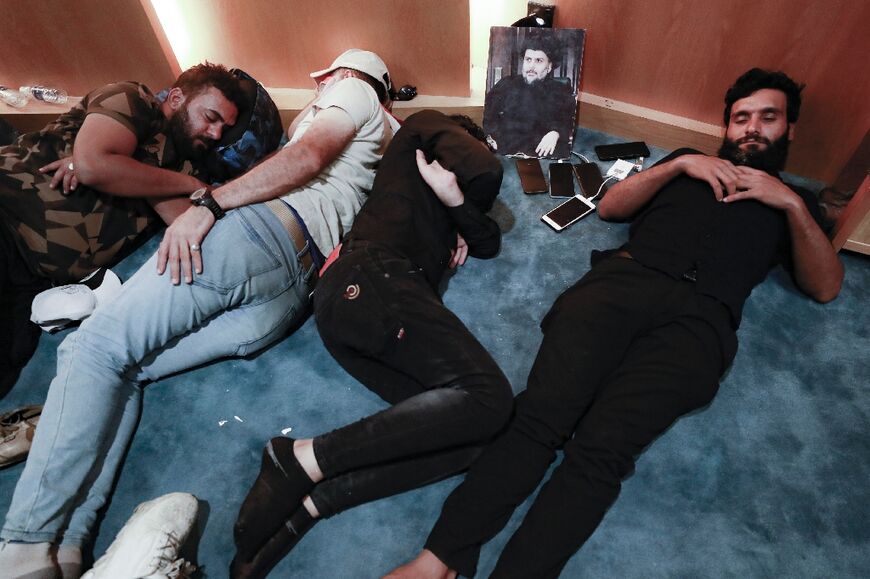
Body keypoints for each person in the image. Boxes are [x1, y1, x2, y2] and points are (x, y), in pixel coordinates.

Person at [387, 68, 844, 579]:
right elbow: (608, 209)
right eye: (742, 118)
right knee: (539, 416)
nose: (753, 128)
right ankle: (440, 558)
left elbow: (826, 286)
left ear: (789, 129)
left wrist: (788, 204)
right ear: (727, 126)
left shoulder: (796, 203)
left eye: (768, 117)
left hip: (700, 324)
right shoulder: (684, 164)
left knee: (601, 454)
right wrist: (679, 167)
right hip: (623, 286)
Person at [0, 49, 397, 579]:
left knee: (90, 348)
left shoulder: (353, 89)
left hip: (261, 235)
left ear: (333, 77)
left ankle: (26, 545)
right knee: (128, 369)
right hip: (286, 296)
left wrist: (210, 206)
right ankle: (69, 549)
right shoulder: (383, 147)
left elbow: (305, 158)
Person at [230, 110, 514, 578]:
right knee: (491, 396)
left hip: (361, 316)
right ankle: (301, 457)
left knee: (478, 438)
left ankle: (314, 504)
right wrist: (466, 182)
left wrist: (454, 201)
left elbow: (488, 244)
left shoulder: (443, 201)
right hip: (371, 277)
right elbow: (486, 167)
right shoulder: (422, 128)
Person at [0, 63, 246, 387]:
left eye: (223, 130)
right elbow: (92, 166)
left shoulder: (186, 165)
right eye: (210, 118)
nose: (215, 134)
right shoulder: (134, 99)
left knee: (8, 363)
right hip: (8, 219)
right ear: (176, 97)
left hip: (34, 279)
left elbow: (185, 225)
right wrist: (183, 181)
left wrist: (146, 173)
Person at [483, 35, 576, 158]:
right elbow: (489, 116)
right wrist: (490, 137)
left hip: (540, 150)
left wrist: (555, 133)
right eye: (528, 59)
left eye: (538, 61)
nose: (531, 67)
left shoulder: (560, 90)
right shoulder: (506, 84)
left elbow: (567, 120)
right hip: (504, 147)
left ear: (549, 67)